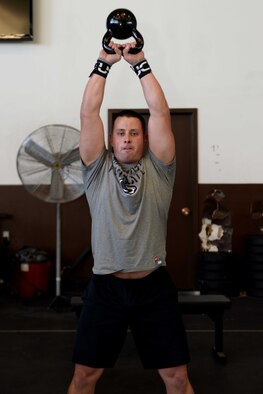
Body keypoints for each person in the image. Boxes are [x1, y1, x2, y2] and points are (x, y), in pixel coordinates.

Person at [67, 41, 194, 394]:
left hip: (153, 287)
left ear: (145, 139)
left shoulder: (160, 168)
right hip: (106, 287)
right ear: (111, 139)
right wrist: (103, 63)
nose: (127, 139)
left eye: (134, 133)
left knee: (178, 379)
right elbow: (88, 114)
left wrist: (140, 63)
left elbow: (161, 113)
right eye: (120, 133)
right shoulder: (96, 168)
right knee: (83, 378)